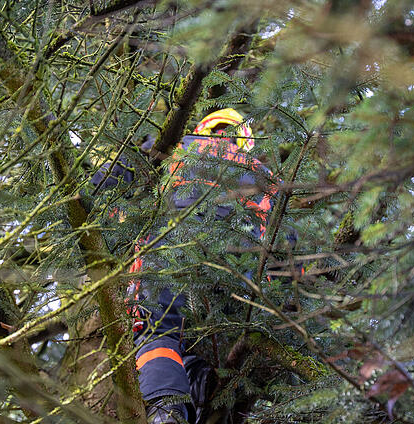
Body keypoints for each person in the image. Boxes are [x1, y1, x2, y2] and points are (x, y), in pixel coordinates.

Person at [90, 108, 277, 424]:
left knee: (157, 331)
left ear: (205, 127)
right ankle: (207, 400)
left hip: (173, 247)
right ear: (245, 140)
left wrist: (88, 205)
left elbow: (115, 176)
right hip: (240, 271)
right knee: (213, 348)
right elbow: (287, 241)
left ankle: (167, 411)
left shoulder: (177, 144)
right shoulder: (265, 175)